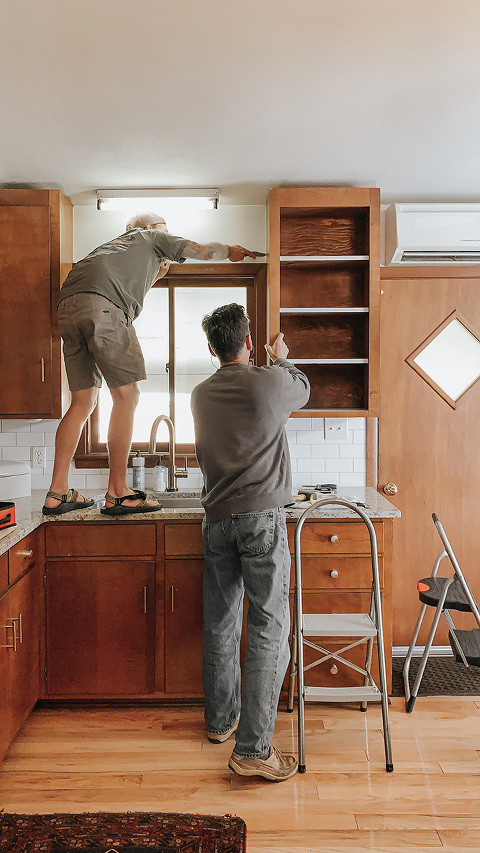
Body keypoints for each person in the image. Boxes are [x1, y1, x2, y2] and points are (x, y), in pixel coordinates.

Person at [43, 213, 259, 517]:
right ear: (148, 230)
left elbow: (142, 281)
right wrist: (230, 251)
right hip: (105, 309)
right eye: (166, 232)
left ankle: (57, 492)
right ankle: (118, 492)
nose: (168, 239)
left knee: (82, 401)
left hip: (68, 309)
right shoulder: (148, 238)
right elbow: (203, 251)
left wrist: (160, 270)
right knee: (127, 396)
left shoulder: (107, 251)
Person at [190, 303, 310, 782]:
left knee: (220, 622)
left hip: (217, 520)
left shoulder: (200, 394)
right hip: (261, 519)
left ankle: (221, 723)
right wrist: (279, 357)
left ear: (211, 348)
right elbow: (302, 388)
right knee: (267, 626)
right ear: (247, 341)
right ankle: (254, 750)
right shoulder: (269, 380)